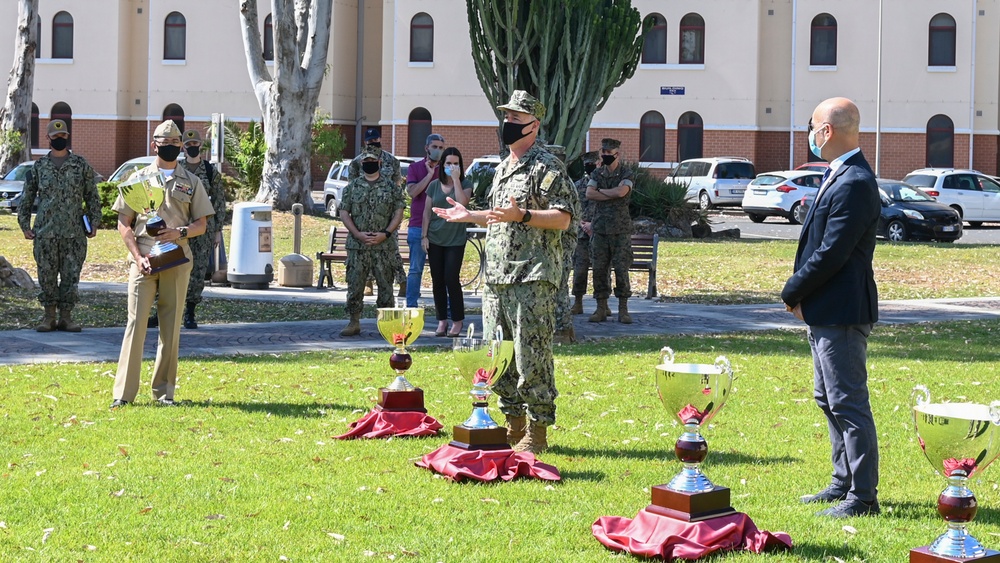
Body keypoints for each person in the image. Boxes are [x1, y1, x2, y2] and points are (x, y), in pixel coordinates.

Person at [433, 90, 575, 453]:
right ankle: (514, 423)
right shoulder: (502, 167)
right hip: (496, 276)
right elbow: (498, 214)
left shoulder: (547, 167)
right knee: (501, 355)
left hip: (532, 275)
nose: (508, 124)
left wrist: (524, 215)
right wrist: (470, 217)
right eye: (506, 117)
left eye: (515, 118)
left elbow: (563, 218)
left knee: (532, 355)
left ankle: (538, 431)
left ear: (534, 124)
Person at [781, 97, 881, 518]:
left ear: (828, 131)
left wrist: (792, 292)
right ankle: (842, 482)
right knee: (829, 398)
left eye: (812, 127)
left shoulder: (855, 181)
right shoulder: (838, 174)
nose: (810, 135)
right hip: (826, 309)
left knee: (849, 403)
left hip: (842, 311)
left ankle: (863, 497)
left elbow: (831, 253)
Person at [110, 120, 215, 408]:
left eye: (174, 143)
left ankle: (164, 393)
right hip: (144, 256)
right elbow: (124, 223)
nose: (169, 147)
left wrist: (180, 232)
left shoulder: (192, 181)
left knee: (171, 326)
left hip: (177, 256)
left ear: (181, 146)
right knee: (136, 323)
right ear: (153, 145)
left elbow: (202, 224)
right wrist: (136, 256)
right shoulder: (138, 178)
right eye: (163, 143)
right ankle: (123, 394)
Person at [18, 119, 100, 332]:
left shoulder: (80, 165)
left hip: (74, 233)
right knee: (46, 275)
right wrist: (24, 224)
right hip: (45, 232)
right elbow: (27, 198)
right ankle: (48, 316)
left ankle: (66, 317)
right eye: (55, 137)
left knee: (71, 276)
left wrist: (94, 222)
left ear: (67, 136)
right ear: (48, 139)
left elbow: (92, 195)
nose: (60, 140)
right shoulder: (39, 166)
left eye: (63, 136)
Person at [339, 145, 406, 337]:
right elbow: (344, 212)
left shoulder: (392, 187)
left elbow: (398, 212)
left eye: (372, 162)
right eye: (366, 162)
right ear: (361, 164)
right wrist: (357, 234)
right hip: (358, 246)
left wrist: (386, 233)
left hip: (383, 246)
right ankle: (354, 321)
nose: (369, 164)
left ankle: (386, 325)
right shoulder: (352, 188)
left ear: (379, 163)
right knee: (355, 285)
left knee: (386, 287)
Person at [348, 127, 405, 297]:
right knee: (367, 249)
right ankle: (368, 282)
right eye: (370, 141)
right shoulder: (357, 162)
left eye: (376, 140)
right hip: (364, 213)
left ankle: (401, 280)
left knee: (391, 250)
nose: (373, 143)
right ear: (365, 142)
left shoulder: (392, 161)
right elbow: (352, 187)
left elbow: (397, 186)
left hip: (386, 214)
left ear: (380, 139)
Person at [421, 147, 471, 337]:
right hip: (435, 238)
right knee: (438, 280)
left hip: (455, 240)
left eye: (455, 163)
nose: (452, 166)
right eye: (448, 163)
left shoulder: (466, 183)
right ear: (442, 165)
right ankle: (442, 321)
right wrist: (424, 236)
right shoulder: (434, 185)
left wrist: (456, 179)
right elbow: (426, 212)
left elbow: (462, 203)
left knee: (451, 278)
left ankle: (457, 321)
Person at [180, 129, 227, 329]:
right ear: (183, 147)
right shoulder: (177, 169)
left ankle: (190, 312)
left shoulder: (209, 171)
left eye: (195, 144)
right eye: (188, 145)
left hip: (202, 229)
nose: (192, 148)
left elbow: (219, 201)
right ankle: (163, 311)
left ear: (200, 146)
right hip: (179, 227)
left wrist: (217, 230)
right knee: (173, 269)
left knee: (197, 271)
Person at [586, 138, 634, 324]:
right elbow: (589, 193)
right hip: (599, 229)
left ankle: (623, 309)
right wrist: (611, 192)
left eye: (609, 153)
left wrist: (603, 192)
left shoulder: (626, 172)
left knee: (621, 269)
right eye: (603, 153)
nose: (605, 156)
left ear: (617, 154)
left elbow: (621, 193)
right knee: (599, 269)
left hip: (620, 230)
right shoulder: (597, 173)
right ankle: (600, 308)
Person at [405, 133, 446, 307]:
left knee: (443, 271)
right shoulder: (415, 168)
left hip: (440, 228)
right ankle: (411, 307)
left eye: (441, 148)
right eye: (435, 147)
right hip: (417, 227)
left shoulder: (447, 169)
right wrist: (429, 175)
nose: (438, 150)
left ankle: (446, 309)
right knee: (415, 270)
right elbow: (412, 192)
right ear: (426, 148)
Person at [548, 144, 581, 344]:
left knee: (558, 287)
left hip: (562, 244)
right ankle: (563, 329)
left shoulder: (563, 184)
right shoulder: (563, 182)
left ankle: (562, 330)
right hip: (559, 243)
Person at [570, 151, 605, 316]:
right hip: (582, 234)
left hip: (600, 233)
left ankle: (602, 304)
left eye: (593, 163)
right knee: (580, 269)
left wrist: (594, 225)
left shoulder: (605, 184)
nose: (590, 166)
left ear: (599, 163)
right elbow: (571, 209)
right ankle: (577, 302)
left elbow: (610, 209)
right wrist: (581, 224)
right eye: (587, 164)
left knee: (601, 270)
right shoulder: (577, 186)